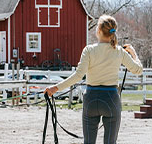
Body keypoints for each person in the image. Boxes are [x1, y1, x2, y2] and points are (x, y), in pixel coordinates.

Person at [44, 15, 143, 144]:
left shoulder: (89, 50)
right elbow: (138, 70)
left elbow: (78, 76)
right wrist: (133, 53)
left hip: (91, 98)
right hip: (111, 99)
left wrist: (55, 88)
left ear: (99, 31)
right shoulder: (119, 51)